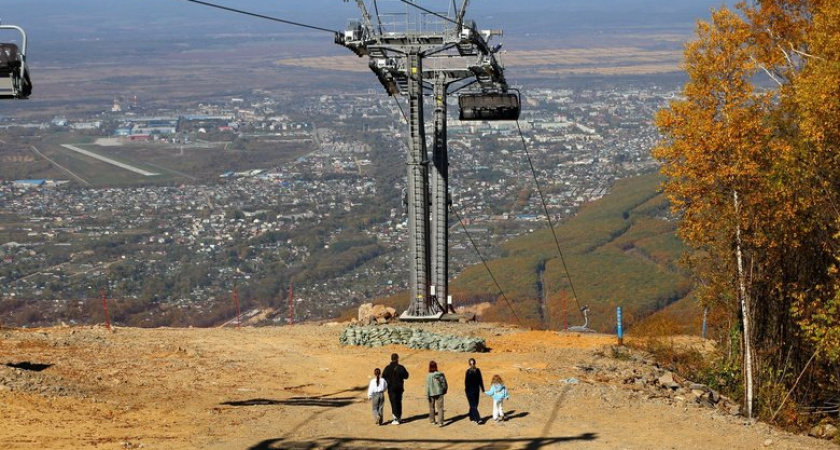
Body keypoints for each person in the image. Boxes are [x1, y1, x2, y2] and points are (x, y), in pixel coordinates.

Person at [382, 353, 409, 424]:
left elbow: (383, 377)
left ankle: (395, 419)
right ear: (397, 358)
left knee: (393, 402)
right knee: (399, 402)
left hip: (391, 387)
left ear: (391, 359)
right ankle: (399, 417)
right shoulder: (401, 367)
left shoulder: (387, 368)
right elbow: (406, 376)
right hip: (399, 387)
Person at [425, 360, 446, 427]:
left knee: (431, 407)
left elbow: (427, 386)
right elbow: (444, 383)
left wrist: (427, 394)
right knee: (440, 408)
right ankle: (440, 422)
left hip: (431, 393)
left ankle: (432, 420)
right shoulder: (440, 374)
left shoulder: (428, 376)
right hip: (439, 392)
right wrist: (444, 390)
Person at [464, 358, 485, 424]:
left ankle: (471, 416)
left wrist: (482, 389)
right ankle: (478, 419)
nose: (472, 364)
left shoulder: (478, 370)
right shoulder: (468, 371)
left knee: (475, 404)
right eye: (471, 363)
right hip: (469, 391)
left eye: (473, 363)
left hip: (476, 390)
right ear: (469, 364)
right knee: (473, 405)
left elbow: (480, 380)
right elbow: (466, 382)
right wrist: (466, 390)